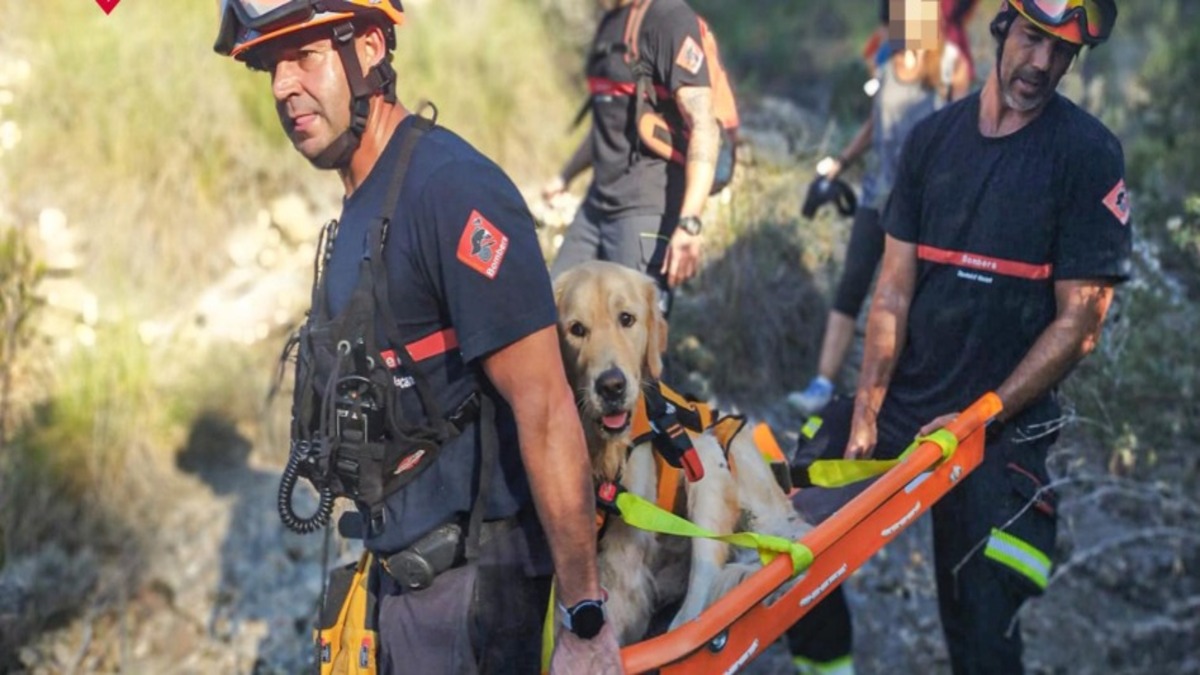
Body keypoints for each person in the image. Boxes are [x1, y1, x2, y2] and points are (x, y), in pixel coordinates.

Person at [213, 2, 623, 673]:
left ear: (369, 48)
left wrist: (584, 615)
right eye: (271, 67)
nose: (284, 86)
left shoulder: (451, 191)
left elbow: (546, 406)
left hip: (479, 596)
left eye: (304, 56)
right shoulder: (365, 199)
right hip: (405, 585)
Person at [794, 1, 1130, 672]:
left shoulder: (1089, 155)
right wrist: (868, 402)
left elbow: (1081, 321)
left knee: (982, 625)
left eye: (1061, 51)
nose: (1041, 63)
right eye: (1033, 37)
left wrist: (985, 414)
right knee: (786, 533)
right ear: (1002, 25)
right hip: (908, 402)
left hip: (1000, 429)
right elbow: (891, 288)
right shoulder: (931, 140)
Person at [789, 0, 972, 415]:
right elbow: (875, 126)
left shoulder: (949, 66)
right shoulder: (887, 62)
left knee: (906, 299)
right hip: (878, 195)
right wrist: (839, 164)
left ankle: (895, 395)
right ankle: (822, 385)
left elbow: (963, 134)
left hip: (923, 208)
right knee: (852, 285)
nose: (894, 27)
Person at [543, 0, 721, 318]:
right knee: (553, 317)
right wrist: (565, 176)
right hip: (596, 208)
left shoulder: (668, 17)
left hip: (645, 211)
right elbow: (609, 118)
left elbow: (704, 123)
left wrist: (690, 222)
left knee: (634, 351)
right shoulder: (610, 22)